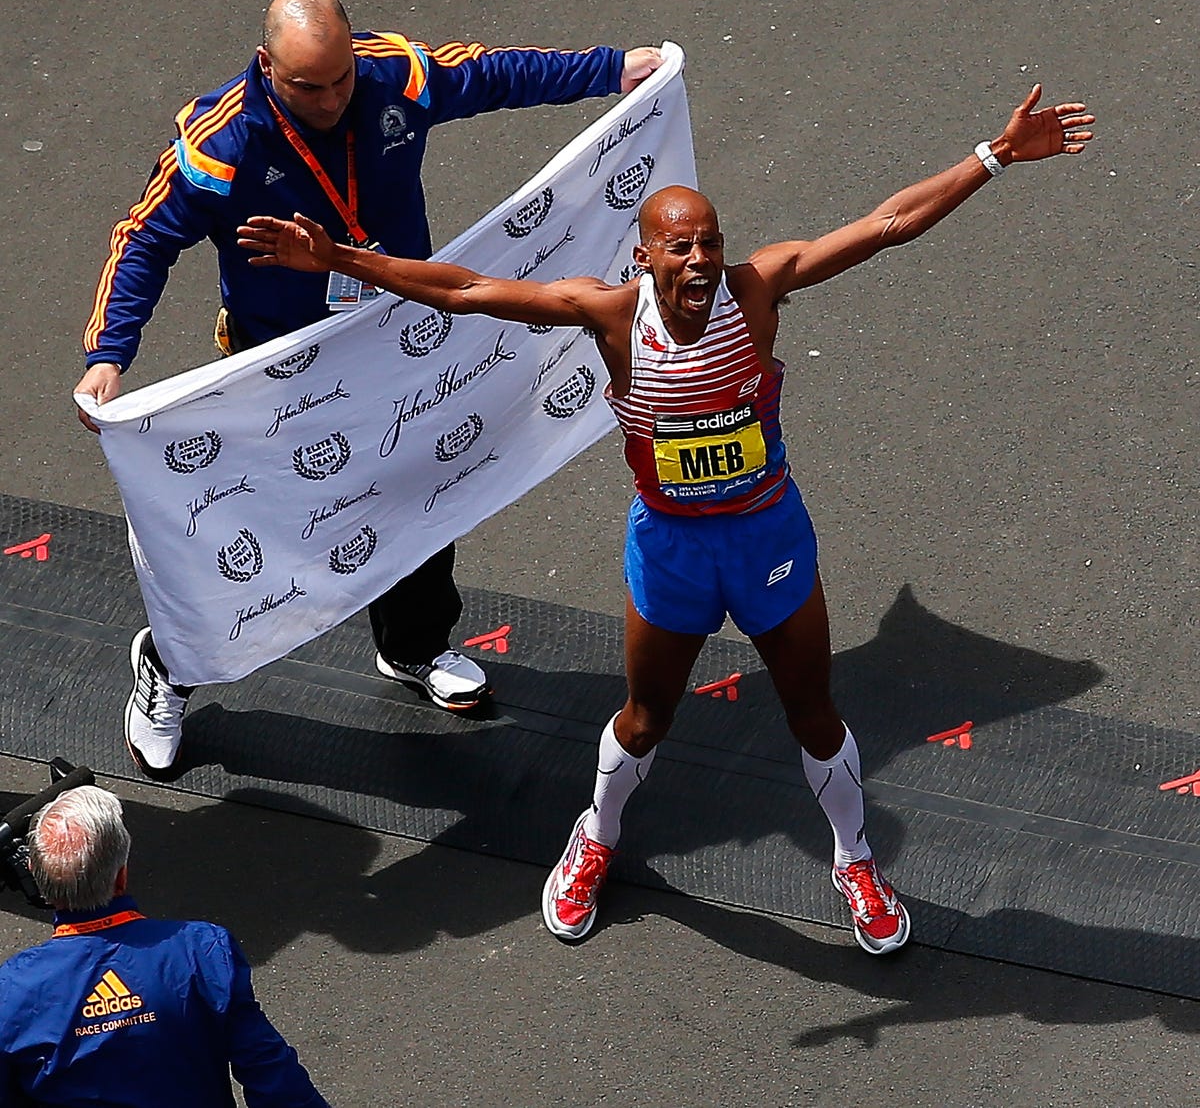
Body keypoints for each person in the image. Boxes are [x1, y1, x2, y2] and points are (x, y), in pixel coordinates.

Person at [235, 84, 1094, 952]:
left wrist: (996, 154)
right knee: (646, 718)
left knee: (813, 712)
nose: (700, 261)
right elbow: (464, 291)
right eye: (679, 247)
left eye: (710, 244)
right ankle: (595, 838)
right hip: (673, 547)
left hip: (766, 536)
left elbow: (886, 223)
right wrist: (338, 260)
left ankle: (855, 859)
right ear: (642, 260)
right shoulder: (608, 314)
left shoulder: (757, 291)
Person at [73, 0, 663, 780]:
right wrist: (109, 354)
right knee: (248, 523)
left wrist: (611, 70)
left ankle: (414, 646)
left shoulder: (397, 76)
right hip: (279, 364)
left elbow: (493, 74)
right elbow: (141, 237)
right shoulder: (219, 142)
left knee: (421, 483)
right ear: (266, 67)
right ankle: (171, 667)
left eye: (341, 79)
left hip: (398, 337)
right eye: (306, 87)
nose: (330, 99)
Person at [0, 785, 330, 1106]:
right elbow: (273, 1076)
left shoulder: (11, 992)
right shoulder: (202, 952)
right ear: (121, 874)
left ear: (35, 875)